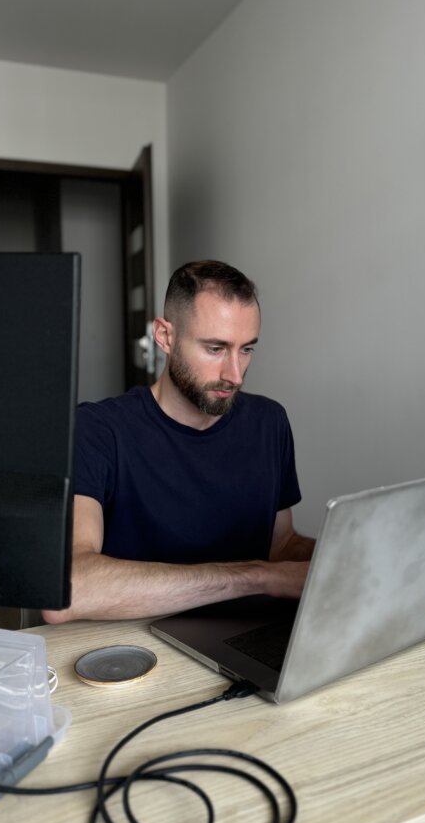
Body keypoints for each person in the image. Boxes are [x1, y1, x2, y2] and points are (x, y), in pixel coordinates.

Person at [43, 260, 313, 623]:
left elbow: (280, 546)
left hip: (248, 637)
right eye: (215, 349)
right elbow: (69, 592)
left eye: (246, 349)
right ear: (165, 336)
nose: (234, 375)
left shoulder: (270, 422)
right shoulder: (97, 430)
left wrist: (342, 555)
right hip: (138, 652)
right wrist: (256, 577)